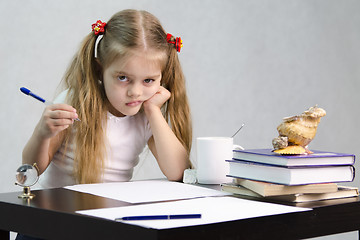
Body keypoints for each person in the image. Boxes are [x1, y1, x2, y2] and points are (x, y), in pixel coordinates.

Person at [21, 9, 192, 189]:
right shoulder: (73, 103)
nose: (135, 92)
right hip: (61, 211)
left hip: (109, 213)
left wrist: (153, 111)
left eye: (148, 80)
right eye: (123, 78)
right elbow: (33, 169)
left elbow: (177, 172)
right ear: (99, 70)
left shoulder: (146, 115)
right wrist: (42, 133)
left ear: (161, 78)